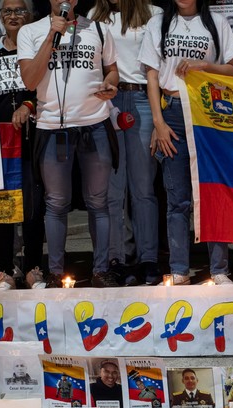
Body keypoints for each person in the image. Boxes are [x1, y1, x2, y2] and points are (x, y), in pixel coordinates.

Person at [19, 0, 121, 288]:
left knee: (98, 201)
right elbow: (29, 80)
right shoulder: (31, 31)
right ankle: (55, 273)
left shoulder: (98, 29)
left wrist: (110, 84)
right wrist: (52, 35)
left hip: (95, 123)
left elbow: (112, 70)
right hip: (53, 127)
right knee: (56, 202)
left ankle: (101, 271)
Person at [142, 0, 233, 286]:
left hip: (208, 111)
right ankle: (179, 270)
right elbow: (151, 76)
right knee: (177, 198)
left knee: (213, 193)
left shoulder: (216, 23)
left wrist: (205, 66)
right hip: (171, 112)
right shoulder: (158, 23)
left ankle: (219, 269)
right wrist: (158, 123)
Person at [91, 0, 163, 286]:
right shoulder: (95, 15)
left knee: (143, 187)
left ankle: (148, 258)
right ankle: (116, 259)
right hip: (106, 101)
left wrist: (159, 118)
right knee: (112, 189)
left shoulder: (154, 14)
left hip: (143, 98)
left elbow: (160, 64)